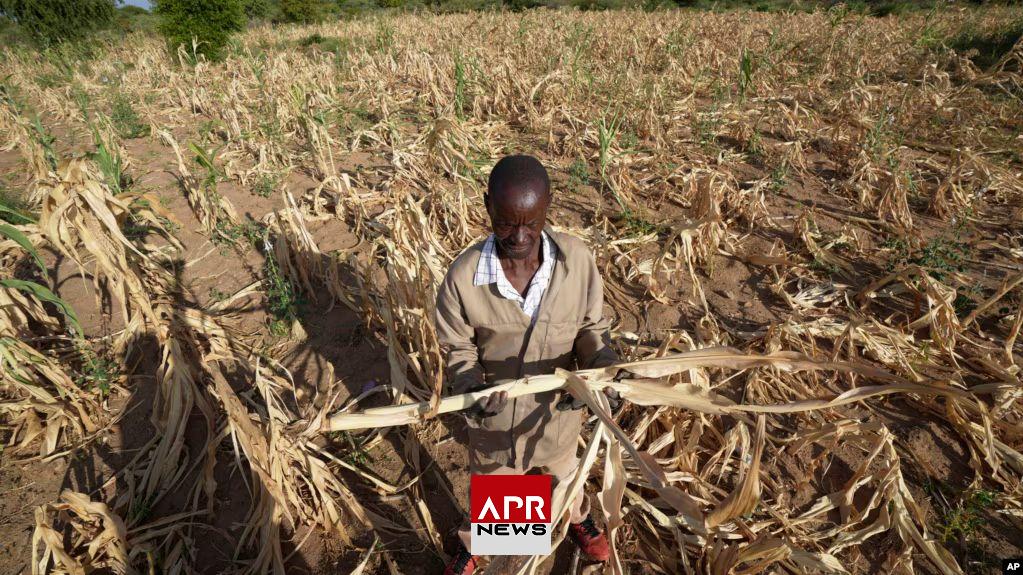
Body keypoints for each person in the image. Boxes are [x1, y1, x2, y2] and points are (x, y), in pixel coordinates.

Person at [435, 155, 623, 575]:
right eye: (505, 223)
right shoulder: (464, 278)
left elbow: (591, 330)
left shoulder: (576, 262)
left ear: (548, 208)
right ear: (487, 206)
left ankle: (574, 518)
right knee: (500, 485)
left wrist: (602, 369)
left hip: (557, 415)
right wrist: (470, 387)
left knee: (563, 473)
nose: (519, 236)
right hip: (496, 421)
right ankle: (485, 543)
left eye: (531, 224)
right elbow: (459, 349)